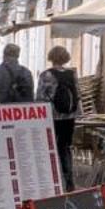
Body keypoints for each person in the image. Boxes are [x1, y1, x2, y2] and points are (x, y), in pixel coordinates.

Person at [38, 45, 80, 191]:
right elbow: (78, 94)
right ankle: (69, 180)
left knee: (49, 146)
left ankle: (51, 179)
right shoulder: (72, 74)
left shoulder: (46, 75)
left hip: (52, 117)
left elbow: (40, 98)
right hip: (70, 117)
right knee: (65, 147)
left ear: (51, 57)